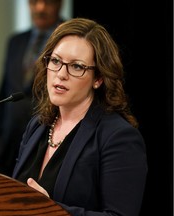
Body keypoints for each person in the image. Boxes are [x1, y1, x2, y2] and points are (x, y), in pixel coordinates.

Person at [12, 17, 148, 216]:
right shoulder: (38, 126)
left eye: (77, 66)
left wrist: (49, 210)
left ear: (99, 79)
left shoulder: (118, 137)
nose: (61, 74)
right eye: (56, 61)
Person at [0, 0, 65, 176]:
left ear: (59, 4)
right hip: (7, 148)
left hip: (44, 144)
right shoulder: (16, 42)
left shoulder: (69, 40)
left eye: (47, 2)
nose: (40, 8)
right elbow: (4, 91)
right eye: (33, 2)